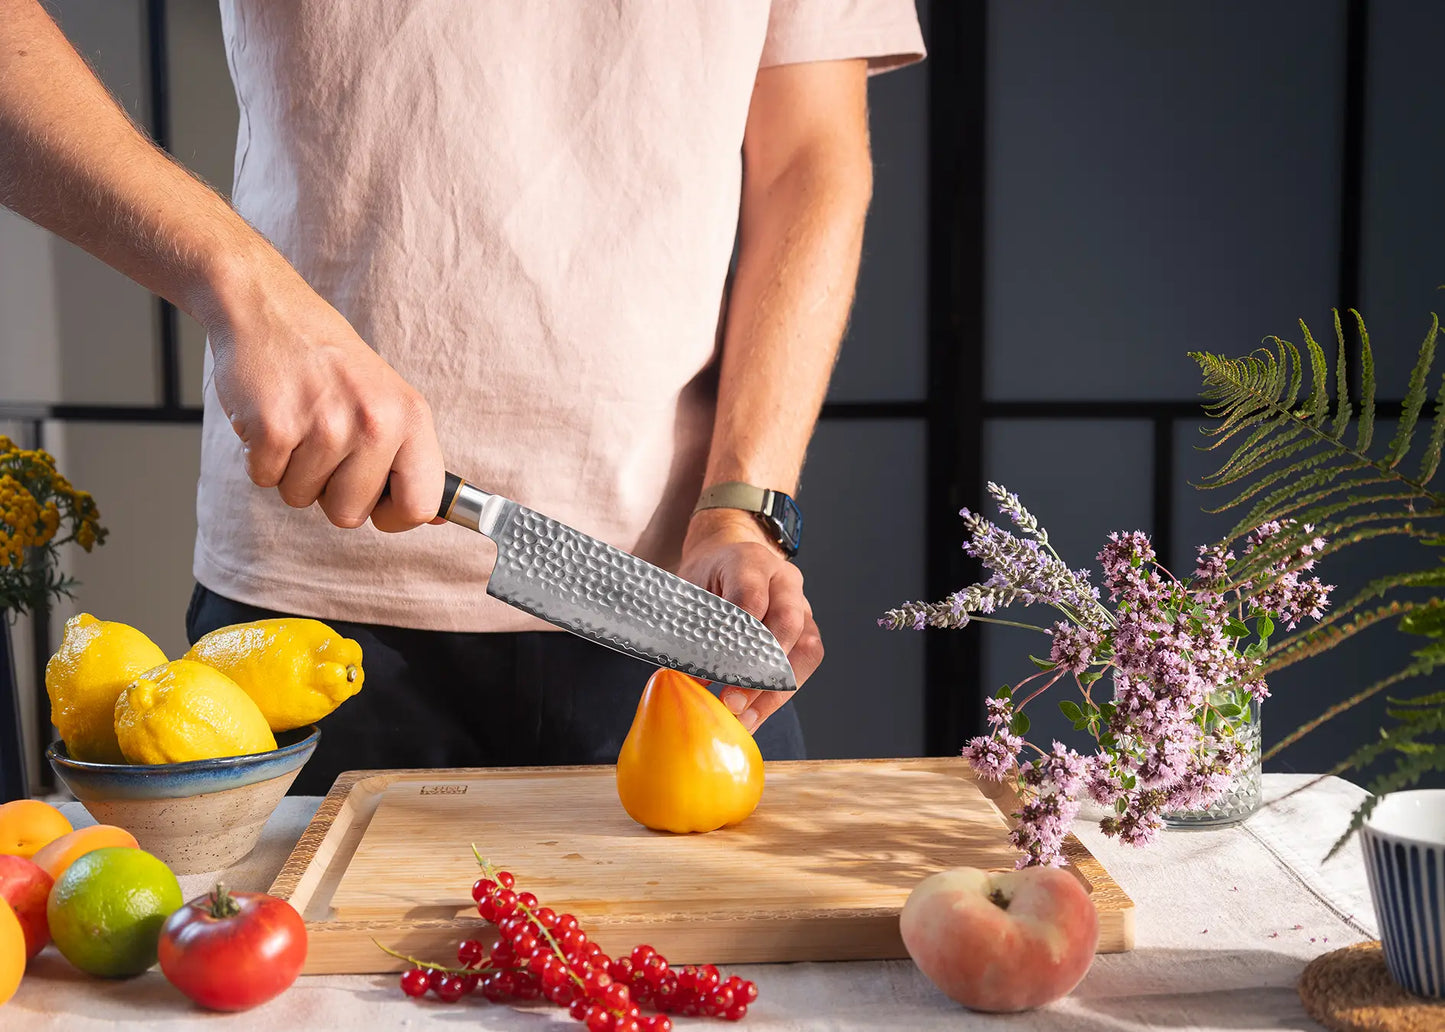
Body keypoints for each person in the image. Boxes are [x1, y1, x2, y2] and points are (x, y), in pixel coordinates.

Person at [0, 2, 924, 794]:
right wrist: (241, 285)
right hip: (305, 614)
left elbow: (807, 163)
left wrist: (742, 506)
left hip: (671, 598)